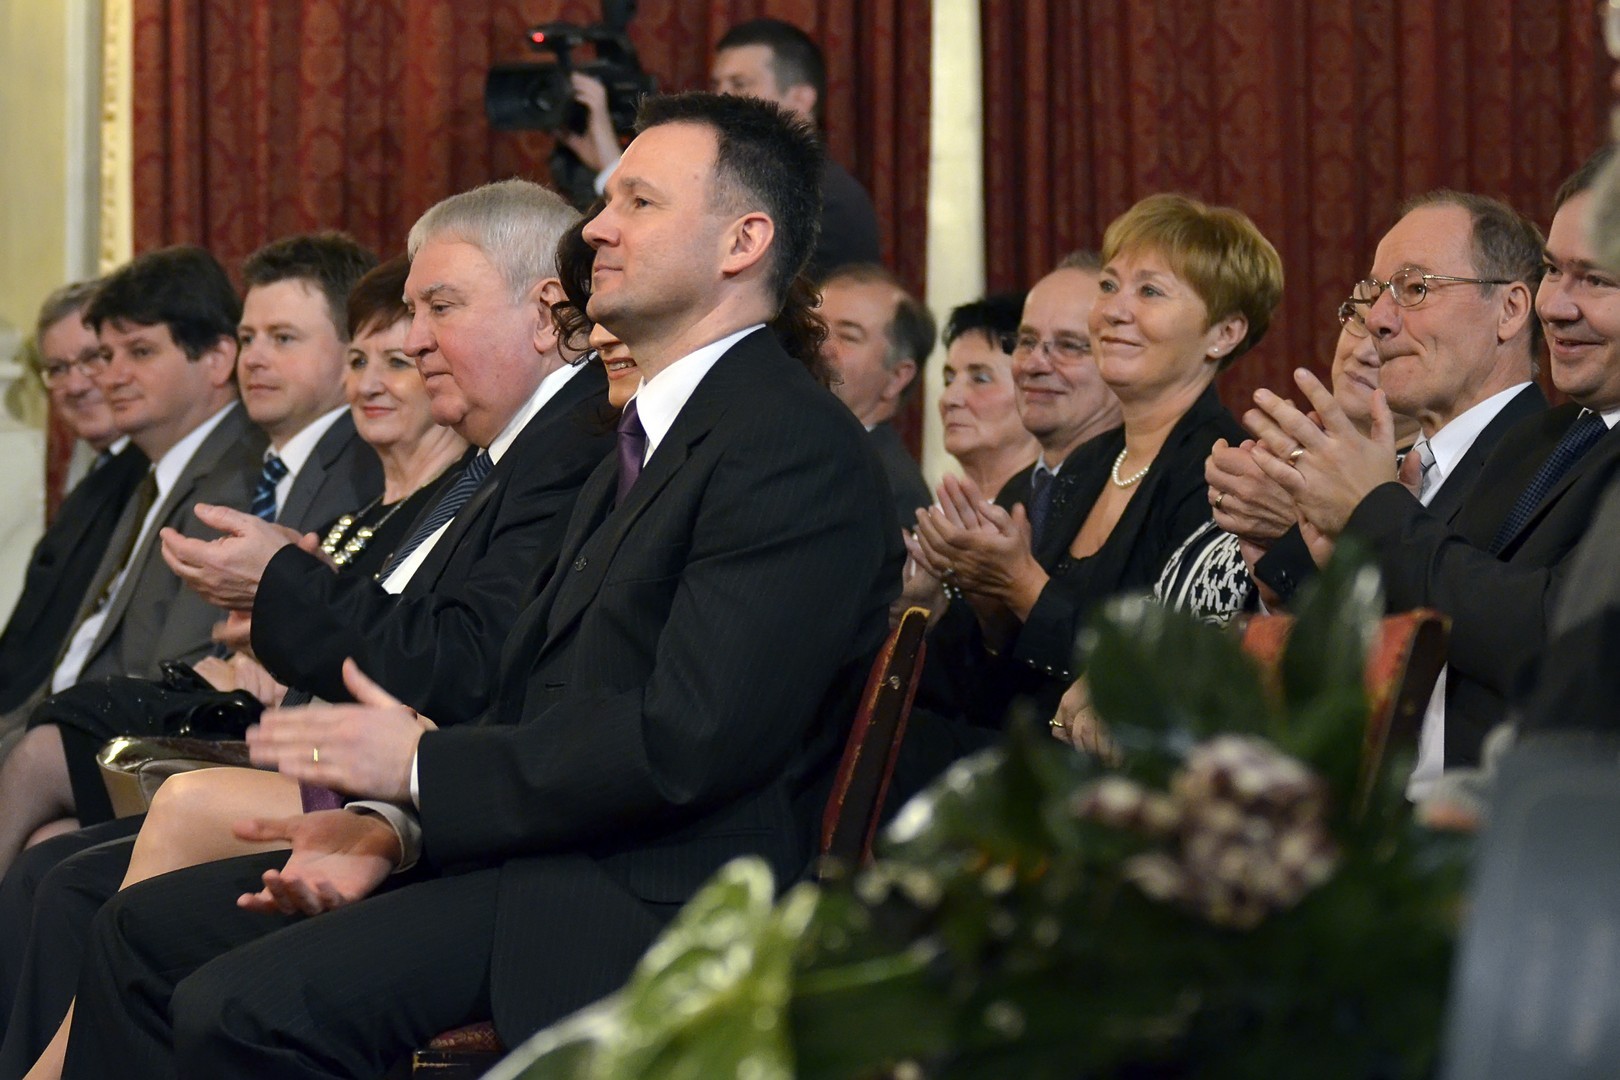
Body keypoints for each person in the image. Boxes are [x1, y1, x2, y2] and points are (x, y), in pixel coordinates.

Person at [58, 91, 898, 1077]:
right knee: (139, 936)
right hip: (546, 853)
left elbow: (685, 740)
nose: (597, 228)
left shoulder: (785, 445)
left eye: (638, 202)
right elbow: (527, 687)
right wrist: (388, 826)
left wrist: (419, 772)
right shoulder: (651, 435)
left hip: (637, 899)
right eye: (606, 201)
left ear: (742, 241)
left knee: (236, 1009)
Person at [1245, 168, 1619, 778]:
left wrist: (1373, 514)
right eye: (1552, 270)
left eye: (1596, 279)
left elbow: (1554, 635)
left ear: (1508, 310)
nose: (1553, 306)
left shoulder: (1519, 439)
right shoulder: (1546, 441)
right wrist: (1319, 560)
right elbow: (1440, 613)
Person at [911, 194, 1280, 720]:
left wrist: (1022, 584)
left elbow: (1164, 682)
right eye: (1108, 286)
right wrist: (988, 603)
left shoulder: (1227, 475)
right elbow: (999, 687)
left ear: (1224, 334)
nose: (1112, 311)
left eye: (1149, 291)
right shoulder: (1087, 463)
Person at [1238, 193, 1548, 611]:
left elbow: (1504, 628)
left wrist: (1369, 512)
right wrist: (1284, 572)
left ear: (1509, 310)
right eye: (1377, 294)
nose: (1377, 320)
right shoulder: (1400, 468)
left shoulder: (1553, 471)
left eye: (1416, 288)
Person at [570, 17, 882, 278]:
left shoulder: (827, 198)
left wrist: (614, 168)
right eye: (717, 84)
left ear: (801, 99)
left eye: (739, 84)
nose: (722, 98)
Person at [0, 284, 148, 727]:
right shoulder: (90, 474)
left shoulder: (149, 476)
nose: (75, 385)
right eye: (58, 369)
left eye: (92, 359)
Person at [819, 262, 934, 529]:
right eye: (813, 326)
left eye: (848, 336)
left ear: (897, 377)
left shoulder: (890, 490)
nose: (820, 345)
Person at [937, 291, 1037, 500]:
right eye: (949, 379)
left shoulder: (1056, 512)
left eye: (980, 379)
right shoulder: (936, 515)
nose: (949, 399)